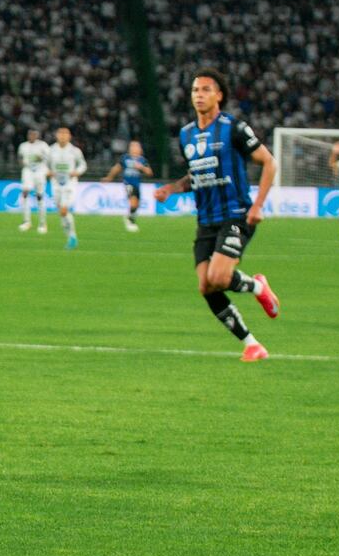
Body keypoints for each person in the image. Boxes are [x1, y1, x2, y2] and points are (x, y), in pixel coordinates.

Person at [154, 68, 280, 362]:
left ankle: (259, 287)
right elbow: (196, 174)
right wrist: (172, 189)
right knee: (205, 286)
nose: (199, 95)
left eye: (206, 89)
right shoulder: (186, 134)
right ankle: (252, 344)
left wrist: (258, 205)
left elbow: (269, 162)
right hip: (206, 220)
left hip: (236, 215)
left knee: (219, 277)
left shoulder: (233, 128)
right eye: (196, 90)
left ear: (219, 96)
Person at [46, 127, 86, 250]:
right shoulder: (50, 150)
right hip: (56, 183)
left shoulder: (75, 151)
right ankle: (70, 237)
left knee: (64, 210)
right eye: (60, 133)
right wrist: (48, 172)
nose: (63, 136)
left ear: (69, 136)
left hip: (70, 183)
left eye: (65, 134)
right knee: (62, 213)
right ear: (56, 136)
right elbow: (44, 165)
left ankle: (73, 236)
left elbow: (83, 165)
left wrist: (77, 172)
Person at [101, 140, 153, 232]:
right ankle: (131, 222)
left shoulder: (142, 160)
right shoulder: (125, 158)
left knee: (136, 205)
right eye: (132, 146)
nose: (134, 149)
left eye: (136, 147)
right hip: (128, 184)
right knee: (133, 201)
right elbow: (116, 168)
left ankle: (129, 217)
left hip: (137, 185)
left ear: (140, 149)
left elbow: (150, 173)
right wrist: (109, 178)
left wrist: (141, 167)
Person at [16, 128, 50, 233]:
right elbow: (20, 157)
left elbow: (49, 157)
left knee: (39, 196)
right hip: (28, 171)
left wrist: (42, 159)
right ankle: (26, 221)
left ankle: (42, 223)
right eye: (30, 134)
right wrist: (22, 163)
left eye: (34, 134)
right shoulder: (23, 146)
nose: (32, 136)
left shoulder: (43, 145)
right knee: (25, 193)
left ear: (37, 135)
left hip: (40, 171)